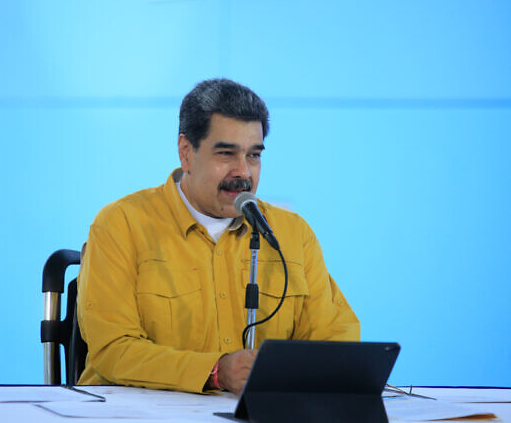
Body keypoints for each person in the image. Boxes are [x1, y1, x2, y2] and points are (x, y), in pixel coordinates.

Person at [77, 78, 359, 394]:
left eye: (254, 155)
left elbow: (336, 339)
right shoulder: (121, 225)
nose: (243, 172)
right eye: (226, 154)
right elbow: (112, 349)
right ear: (186, 152)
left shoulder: (292, 234)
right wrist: (214, 372)